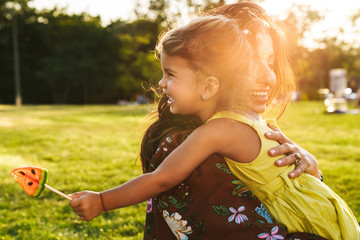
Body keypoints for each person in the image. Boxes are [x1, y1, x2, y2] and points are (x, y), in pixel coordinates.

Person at [69, 5, 357, 240]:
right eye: (253, 60)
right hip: (324, 214)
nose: (270, 76)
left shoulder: (219, 130)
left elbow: (161, 179)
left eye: (170, 74)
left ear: (209, 85)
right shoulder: (233, 127)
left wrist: (102, 201)